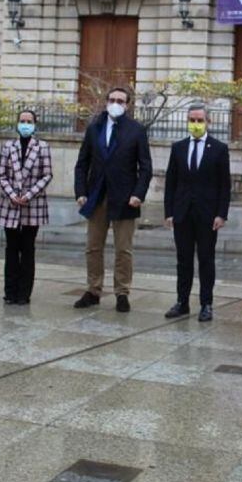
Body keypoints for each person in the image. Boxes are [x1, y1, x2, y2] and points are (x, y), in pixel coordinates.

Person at [74, 87, 152, 313]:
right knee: (93, 247)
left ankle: (122, 292)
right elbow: (82, 163)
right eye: (112, 99)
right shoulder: (94, 128)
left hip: (125, 198)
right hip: (97, 195)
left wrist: (139, 193)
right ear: (106, 101)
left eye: (120, 100)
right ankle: (93, 289)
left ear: (127, 105)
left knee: (123, 249)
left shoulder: (136, 131)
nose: (115, 103)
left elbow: (145, 167)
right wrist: (81, 191)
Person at [163, 103, 231, 322]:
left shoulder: (219, 148)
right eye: (192, 120)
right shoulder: (178, 147)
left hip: (207, 215)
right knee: (183, 260)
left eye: (200, 120)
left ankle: (206, 304)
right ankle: (182, 302)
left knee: (206, 260)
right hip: (182, 213)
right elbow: (171, 182)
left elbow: (224, 185)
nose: (196, 124)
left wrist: (221, 214)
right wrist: (169, 212)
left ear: (208, 122)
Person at [0, 110, 53, 305]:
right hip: (10, 204)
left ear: (35, 124)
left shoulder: (43, 147)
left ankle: (24, 293)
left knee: (28, 249)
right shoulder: (7, 146)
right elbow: (1, 175)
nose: (25, 124)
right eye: (22, 121)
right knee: (11, 249)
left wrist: (28, 195)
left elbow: (47, 175)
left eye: (29, 121)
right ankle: (10, 291)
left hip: (33, 204)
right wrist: (13, 194)